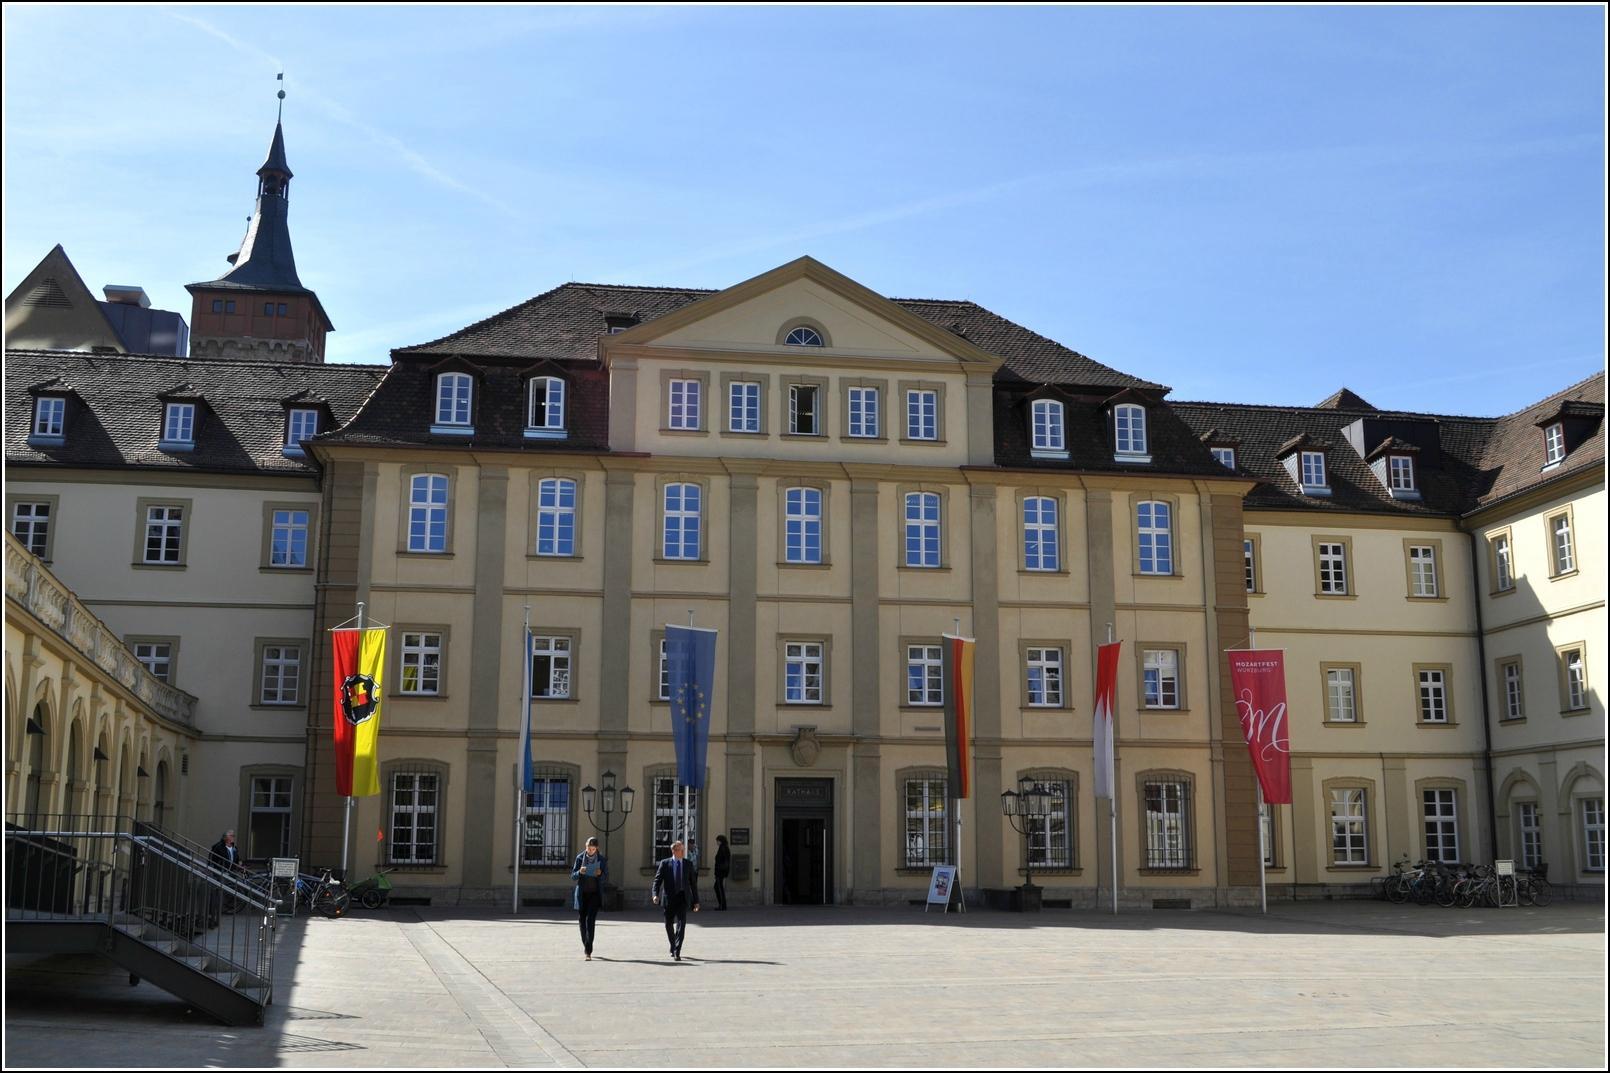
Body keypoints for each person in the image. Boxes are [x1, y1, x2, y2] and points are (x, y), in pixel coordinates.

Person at [651, 839, 700, 960]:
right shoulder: (665, 863)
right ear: (673, 851)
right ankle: (673, 945)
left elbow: (693, 884)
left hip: (682, 897)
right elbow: (657, 881)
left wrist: (696, 901)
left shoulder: (688, 864)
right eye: (680, 850)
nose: (682, 852)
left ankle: (677, 950)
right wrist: (655, 895)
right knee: (668, 924)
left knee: (681, 925)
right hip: (669, 898)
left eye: (683, 850)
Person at [571, 836, 607, 960]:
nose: (590, 851)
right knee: (582, 920)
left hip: (594, 894)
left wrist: (600, 874)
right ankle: (586, 943)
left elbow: (605, 876)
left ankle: (588, 951)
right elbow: (573, 876)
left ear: (596, 848)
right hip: (582, 894)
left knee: (590, 920)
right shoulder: (580, 858)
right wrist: (579, 872)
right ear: (586, 847)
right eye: (588, 848)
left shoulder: (601, 859)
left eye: (592, 849)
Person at [208, 830, 240, 922]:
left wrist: (239, 865)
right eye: (231, 835)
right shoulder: (218, 847)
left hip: (230, 873)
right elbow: (211, 859)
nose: (233, 837)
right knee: (218, 892)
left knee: (224, 892)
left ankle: (220, 910)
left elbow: (236, 860)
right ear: (225, 837)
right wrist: (212, 869)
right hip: (220, 872)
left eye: (233, 835)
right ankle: (213, 911)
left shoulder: (234, 847)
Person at [712, 834, 731, 911]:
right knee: (717, 887)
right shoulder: (724, 848)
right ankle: (722, 904)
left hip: (720, 872)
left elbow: (722, 861)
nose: (717, 842)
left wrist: (719, 870)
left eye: (717, 841)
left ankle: (722, 905)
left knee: (719, 888)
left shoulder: (723, 848)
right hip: (721, 871)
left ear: (720, 841)